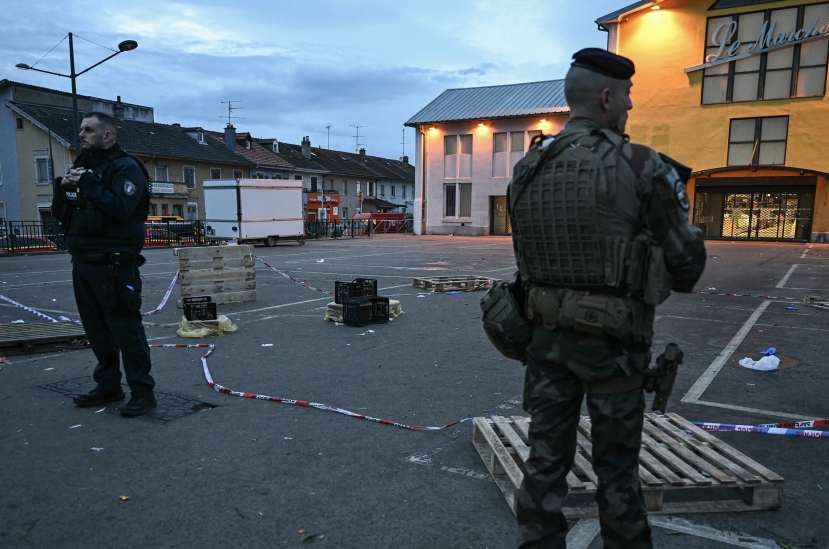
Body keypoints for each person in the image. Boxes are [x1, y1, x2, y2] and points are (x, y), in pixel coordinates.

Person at [508, 49, 706, 548]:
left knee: (544, 463)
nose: (630, 108)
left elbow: (525, 255)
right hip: (614, 349)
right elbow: (686, 267)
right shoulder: (641, 164)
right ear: (606, 96)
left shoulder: (529, 166)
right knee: (617, 471)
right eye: (628, 97)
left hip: (546, 341)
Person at [52, 111, 157, 417]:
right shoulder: (84, 166)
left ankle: (142, 391)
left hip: (114, 263)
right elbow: (62, 212)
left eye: (88, 130)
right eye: (81, 130)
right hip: (83, 261)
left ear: (107, 136)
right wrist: (67, 187)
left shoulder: (126, 168)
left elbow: (120, 208)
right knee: (96, 329)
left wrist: (89, 183)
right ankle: (109, 384)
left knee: (126, 329)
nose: (81, 135)